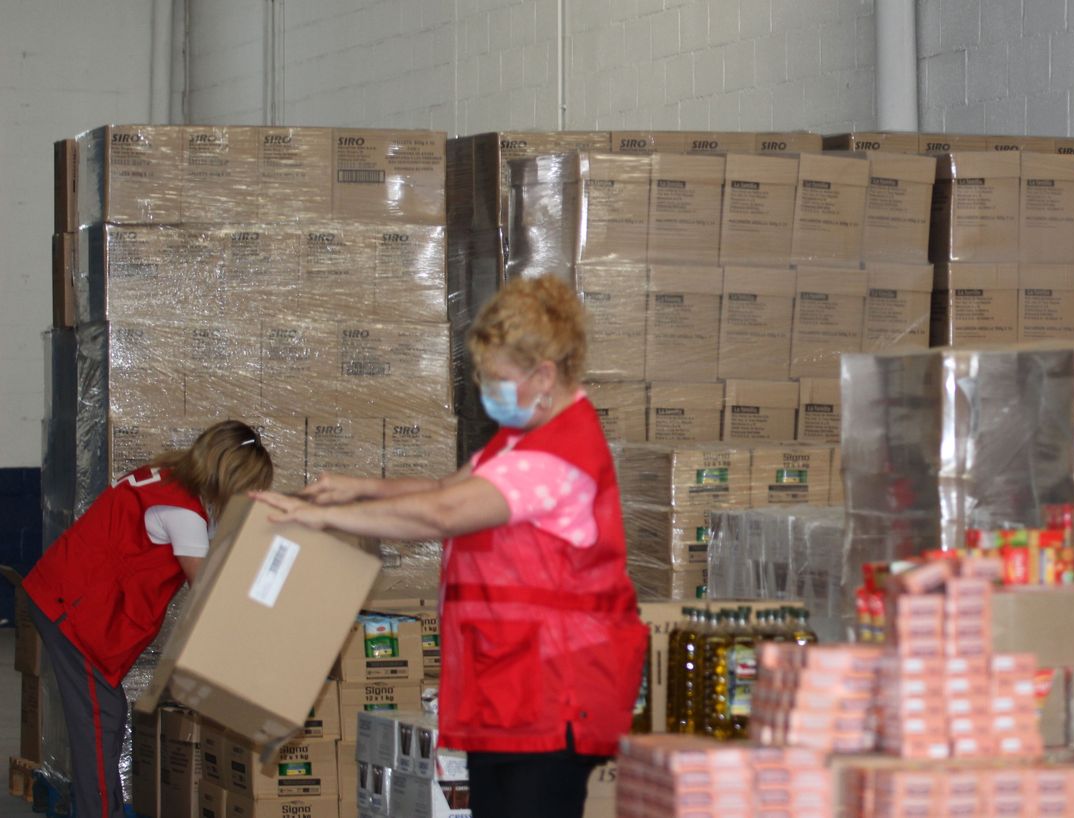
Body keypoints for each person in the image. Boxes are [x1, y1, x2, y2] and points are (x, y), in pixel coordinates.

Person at [253, 276, 647, 818]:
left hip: (555, 694)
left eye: (498, 380)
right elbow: (445, 490)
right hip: (508, 687)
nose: (490, 394)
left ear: (545, 376)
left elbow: (444, 515)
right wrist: (358, 485)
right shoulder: (521, 437)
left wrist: (323, 517)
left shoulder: (559, 458)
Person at [24, 419, 273, 818]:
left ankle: (94, 806)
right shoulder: (183, 511)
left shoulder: (166, 477)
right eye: (250, 485)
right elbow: (207, 593)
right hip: (73, 612)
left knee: (105, 713)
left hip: (68, 598)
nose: (250, 495)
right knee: (100, 717)